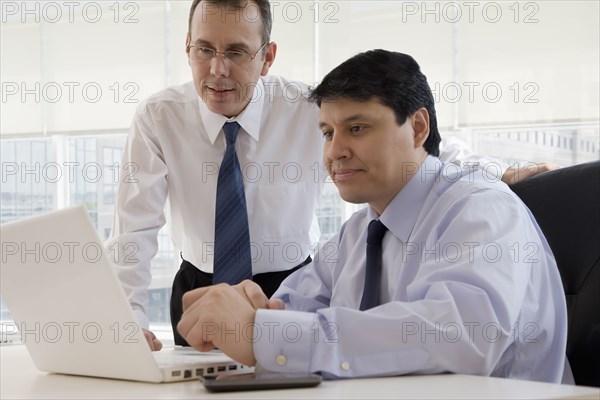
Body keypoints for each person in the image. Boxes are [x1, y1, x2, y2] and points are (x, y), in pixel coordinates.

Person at [107, 0, 557, 350]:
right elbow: (133, 232)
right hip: (202, 283)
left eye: (237, 52)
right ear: (188, 48)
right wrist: (127, 326)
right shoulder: (159, 117)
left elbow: (420, 147)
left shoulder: (309, 105)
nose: (218, 70)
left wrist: (495, 173)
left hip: (284, 274)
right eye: (205, 50)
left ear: (267, 58)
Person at [176, 50, 569, 383]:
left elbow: (458, 339)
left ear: (417, 128)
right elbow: (288, 311)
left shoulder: (482, 209)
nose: (335, 152)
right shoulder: (360, 232)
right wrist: (251, 310)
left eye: (357, 128)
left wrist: (263, 334)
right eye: (328, 133)